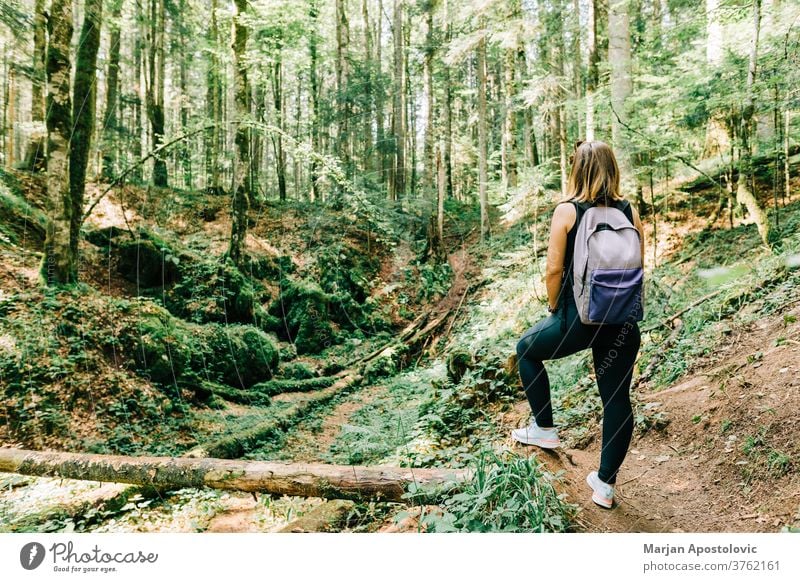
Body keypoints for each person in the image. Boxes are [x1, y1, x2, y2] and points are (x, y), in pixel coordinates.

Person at [511, 140, 644, 509]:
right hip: (621, 323)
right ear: (612, 168)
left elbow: (554, 269)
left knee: (526, 349)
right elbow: (637, 267)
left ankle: (545, 429)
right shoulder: (630, 211)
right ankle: (605, 485)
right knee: (617, 398)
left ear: (576, 169)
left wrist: (556, 308)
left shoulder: (568, 211)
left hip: (579, 319)